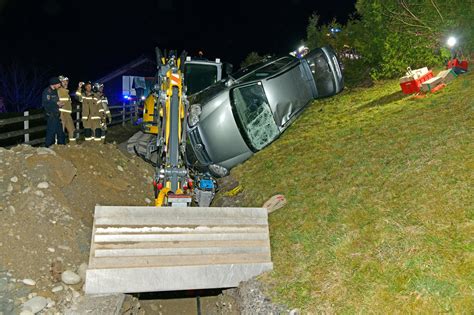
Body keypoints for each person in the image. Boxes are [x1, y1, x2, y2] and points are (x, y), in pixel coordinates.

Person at [42, 77, 66, 147]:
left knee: (60, 132)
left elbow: (55, 101)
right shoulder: (47, 91)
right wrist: (56, 103)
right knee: (51, 132)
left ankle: (62, 145)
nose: (60, 85)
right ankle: (48, 147)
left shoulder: (55, 91)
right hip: (51, 115)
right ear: (54, 84)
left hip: (56, 114)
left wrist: (59, 104)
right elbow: (45, 103)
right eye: (58, 83)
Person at [57, 75, 76, 143]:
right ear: (60, 83)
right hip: (61, 114)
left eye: (66, 82)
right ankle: (58, 147)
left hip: (68, 114)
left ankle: (73, 146)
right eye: (64, 82)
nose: (66, 83)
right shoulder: (58, 91)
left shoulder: (66, 92)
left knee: (72, 130)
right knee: (60, 131)